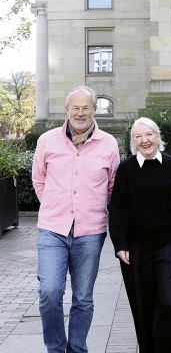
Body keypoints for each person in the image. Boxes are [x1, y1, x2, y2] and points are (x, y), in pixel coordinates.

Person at [32, 86, 120, 353]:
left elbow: (113, 185)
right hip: (52, 229)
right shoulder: (47, 140)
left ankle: (77, 348)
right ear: (67, 110)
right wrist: (53, 204)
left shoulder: (109, 144)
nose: (80, 113)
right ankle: (56, 348)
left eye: (86, 108)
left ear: (95, 110)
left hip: (90, 232)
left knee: (83, 298)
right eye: (76, 108)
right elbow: (39, 178)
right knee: (49, 293)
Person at [108, 117, 171, 353]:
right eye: (138, 136)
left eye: (149, 134)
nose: (144, 140)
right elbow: (118, 208)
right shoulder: (126, 169)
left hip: (170, 245)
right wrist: (119, 244)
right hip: (137, 248)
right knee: (144, 305)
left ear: (158, 136)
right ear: (133, 142)